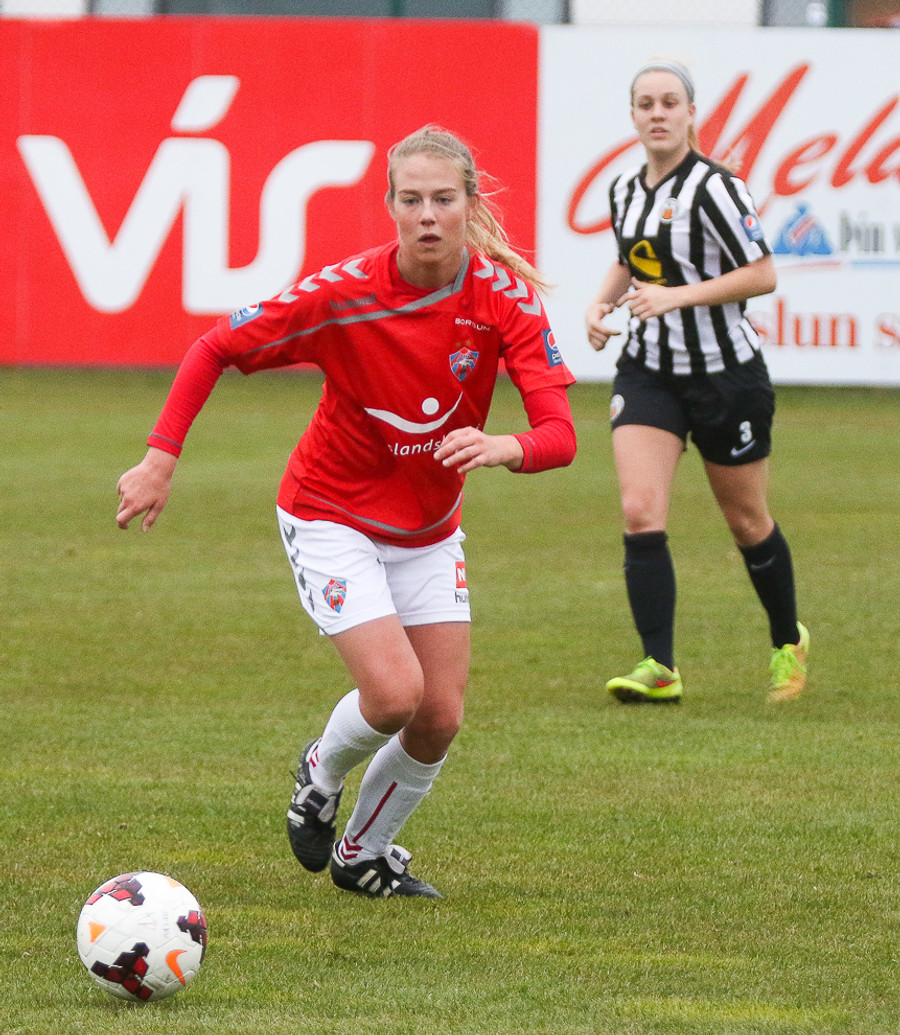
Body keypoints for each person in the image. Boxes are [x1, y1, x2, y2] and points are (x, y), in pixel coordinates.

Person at [116, 125, 576, 897]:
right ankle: (320, 770)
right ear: (390, 206)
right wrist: (160, 457)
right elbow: (214, 346)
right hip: (331, 513)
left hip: (429, 530)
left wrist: (507, 445)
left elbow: (559, 434)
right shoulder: (343, 295)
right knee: (394, 695)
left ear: (470, 204)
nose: (427, 214)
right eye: (412, 199)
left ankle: (363, 853)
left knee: (438, 716)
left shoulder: (504, 299)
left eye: (444, 198)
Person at [584, 60, 808, 705]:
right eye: (646, 103)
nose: (657, 113)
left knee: (746, 520)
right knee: (639, 509)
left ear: (690, 113)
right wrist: (600, 304)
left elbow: (763, 274)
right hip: (649, 371)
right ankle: (659, 666)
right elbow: (630, 259)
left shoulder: (716, 188)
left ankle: (787, 642)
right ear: (632, 115)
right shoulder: (625, 189)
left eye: (669, 102)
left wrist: (677, 297)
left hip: (725, 376)